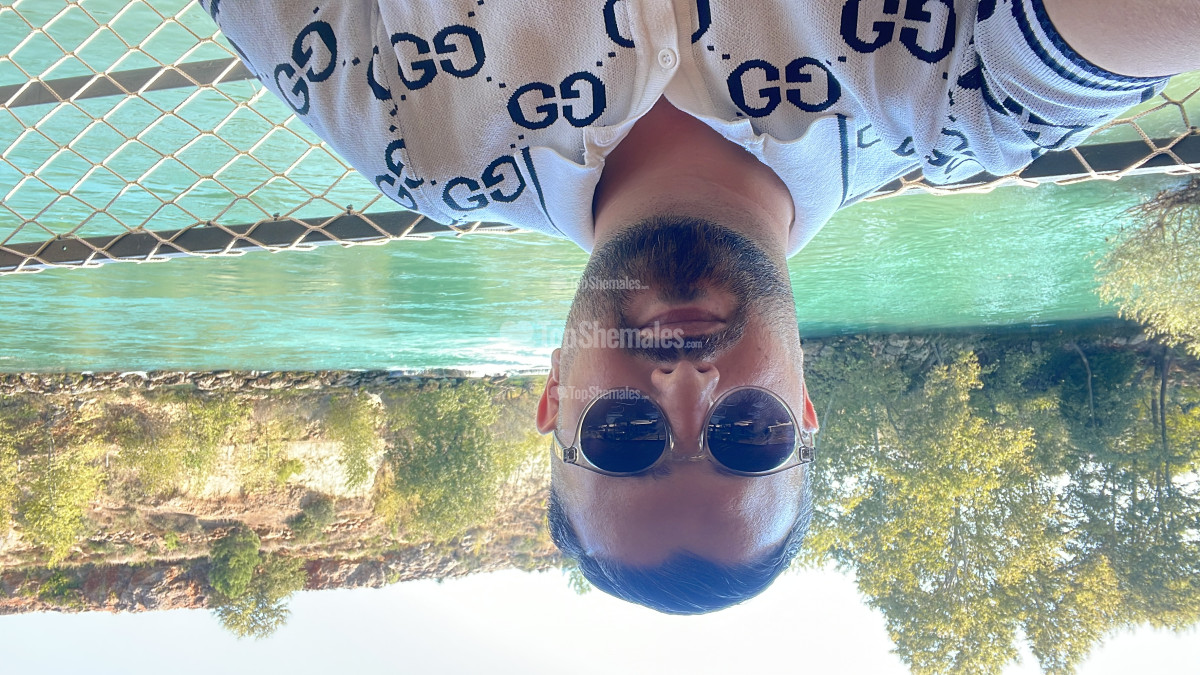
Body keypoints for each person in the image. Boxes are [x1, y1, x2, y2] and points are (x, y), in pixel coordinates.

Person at [204, 0, 1198, 613]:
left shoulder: (415, 139)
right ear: (801, 406)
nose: (685, 386)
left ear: (555, 397)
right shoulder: (965, 96)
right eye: (750, 436)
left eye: (626, 437)